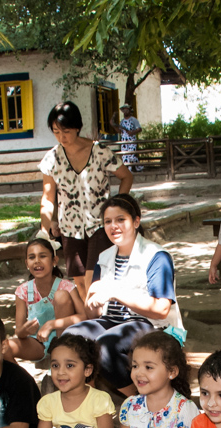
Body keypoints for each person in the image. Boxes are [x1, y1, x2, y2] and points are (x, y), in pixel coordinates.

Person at [65, 194, 184, 395]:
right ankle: (87, 404)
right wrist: (92, 302)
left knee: (104, 346)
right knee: (71, 338)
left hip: (151, 324)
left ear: (136, 221)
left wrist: (114, 291)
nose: (114, 226)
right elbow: (93, 315)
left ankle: (139, 400)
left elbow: (161, 309)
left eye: (121, 220)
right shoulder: (105, 257)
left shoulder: (156, 256)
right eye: (108, 221)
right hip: (112, 322)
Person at [39, 101, 134, 298]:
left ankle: (100, 321)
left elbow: (126, 176)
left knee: (94, 281)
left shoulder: (99, 151)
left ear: (77, 127)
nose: (61, 137)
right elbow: (48, 196)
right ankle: (91, 322)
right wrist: (47, 226)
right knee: (80, 283)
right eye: (56, 132)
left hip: (99, 224)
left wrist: (117, 208)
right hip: (69, 227)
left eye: (65, 131)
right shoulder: (52, 159)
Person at [6, 238, 85, 362]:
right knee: (5, 348)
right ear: (27, 263)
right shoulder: (23, 291)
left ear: (54, 260)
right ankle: (22, 381)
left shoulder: (66, 286)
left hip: (65, 340)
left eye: (42, 256)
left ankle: (61, 355)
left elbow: (83, 316)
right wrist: (25, 330)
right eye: (32, 257)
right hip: (37, 343)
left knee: (61, 296)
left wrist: (51, 324)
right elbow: (19, 331)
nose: (37, 261)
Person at [113, 103, 143, 172]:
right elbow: (120, 131)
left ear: (129, 111)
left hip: (131, 141)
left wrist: (132, 132)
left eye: (126, 110)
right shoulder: (122, 122)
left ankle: (135, 168)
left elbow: (139, 129)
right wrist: (114, 126)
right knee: (125, 156)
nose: (125, 111)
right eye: (124, 110)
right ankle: (129, 171)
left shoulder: (133, 120)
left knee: (132, 155)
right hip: (124, 142)